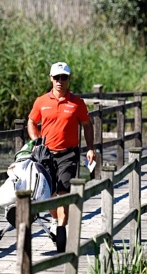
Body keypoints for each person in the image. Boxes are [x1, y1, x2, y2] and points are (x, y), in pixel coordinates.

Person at [27, 61, 95, 243]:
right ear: (51, 79)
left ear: (69, 79)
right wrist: (36, 140)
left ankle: (61, 230)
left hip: (68, 154)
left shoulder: (77, 103)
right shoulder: (41, 101)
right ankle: (55, 220)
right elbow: (32, 121)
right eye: (56, 77)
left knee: (63, 191)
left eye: (63, 77)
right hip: (46, 153)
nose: (60, 81)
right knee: (49, 192)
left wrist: (90, 149)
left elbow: (87, 126)